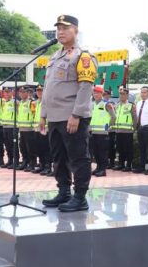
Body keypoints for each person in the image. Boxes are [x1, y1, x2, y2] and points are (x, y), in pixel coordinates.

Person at [39, 15, 98, 213]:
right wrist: (43, 115)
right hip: (54, 118)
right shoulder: (55, 57)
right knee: (58, 158)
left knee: (78, 158)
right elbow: (48, 88)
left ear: (76, 31)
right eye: (58, 28)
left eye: (65, 28)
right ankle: (63, 192)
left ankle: (80, 197)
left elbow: (85, 88)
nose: (60, 32)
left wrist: (77, 115)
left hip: (72, 117)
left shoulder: (83, 57)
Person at [89, 85, 115, 177]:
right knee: (95, 152)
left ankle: (103, 170)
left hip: (103, 133)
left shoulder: (106, 104)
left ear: (101, 94)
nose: (96, 94)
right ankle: (98, 167)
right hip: (93, 132)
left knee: (102, 152)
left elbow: (113, 117)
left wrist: (108, 127)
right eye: (94, 93)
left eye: (98, 93)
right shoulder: (92, 104)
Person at [113, 86, 136, 171]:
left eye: (123, 94)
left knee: (128, 149)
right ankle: (121, 164)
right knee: (120, 149)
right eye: (120, 94)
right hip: (118, 131)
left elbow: (135, 118)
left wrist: (133, 129)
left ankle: (129, 165)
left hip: (127, 131)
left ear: (127, 95)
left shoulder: (131, 105)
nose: (122, 96)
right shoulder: (117, 105)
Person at [33, 85, 53, 175]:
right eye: (38, 91)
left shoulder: (47, 102)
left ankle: (48, 166)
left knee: (46, 148)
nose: (39, 92)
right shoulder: (36, 103)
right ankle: (42, 165)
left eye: (41, 91)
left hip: (45, 128)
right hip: (37, 128)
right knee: (39, 148)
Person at [17, 87, 36, 171]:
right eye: (20, 92)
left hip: (29, 129)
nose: (21, 94)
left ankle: (32, 163)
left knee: (30, 148)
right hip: (22, 128)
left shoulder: (31, 102)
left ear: (27, 93)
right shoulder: (20, 103)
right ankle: (25, 161)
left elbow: (34, 114)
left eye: (23, 92)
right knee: (22, 147)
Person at [0, 88, 16, 168]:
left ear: (11, 93)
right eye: (5, 92)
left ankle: (15, 161)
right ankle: (10, 160)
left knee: (13, 145)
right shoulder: (4, 103)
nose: (6, 94)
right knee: (7, 145)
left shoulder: (15, 102)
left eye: (8, 92)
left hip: (12, 126)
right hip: (5, 126)